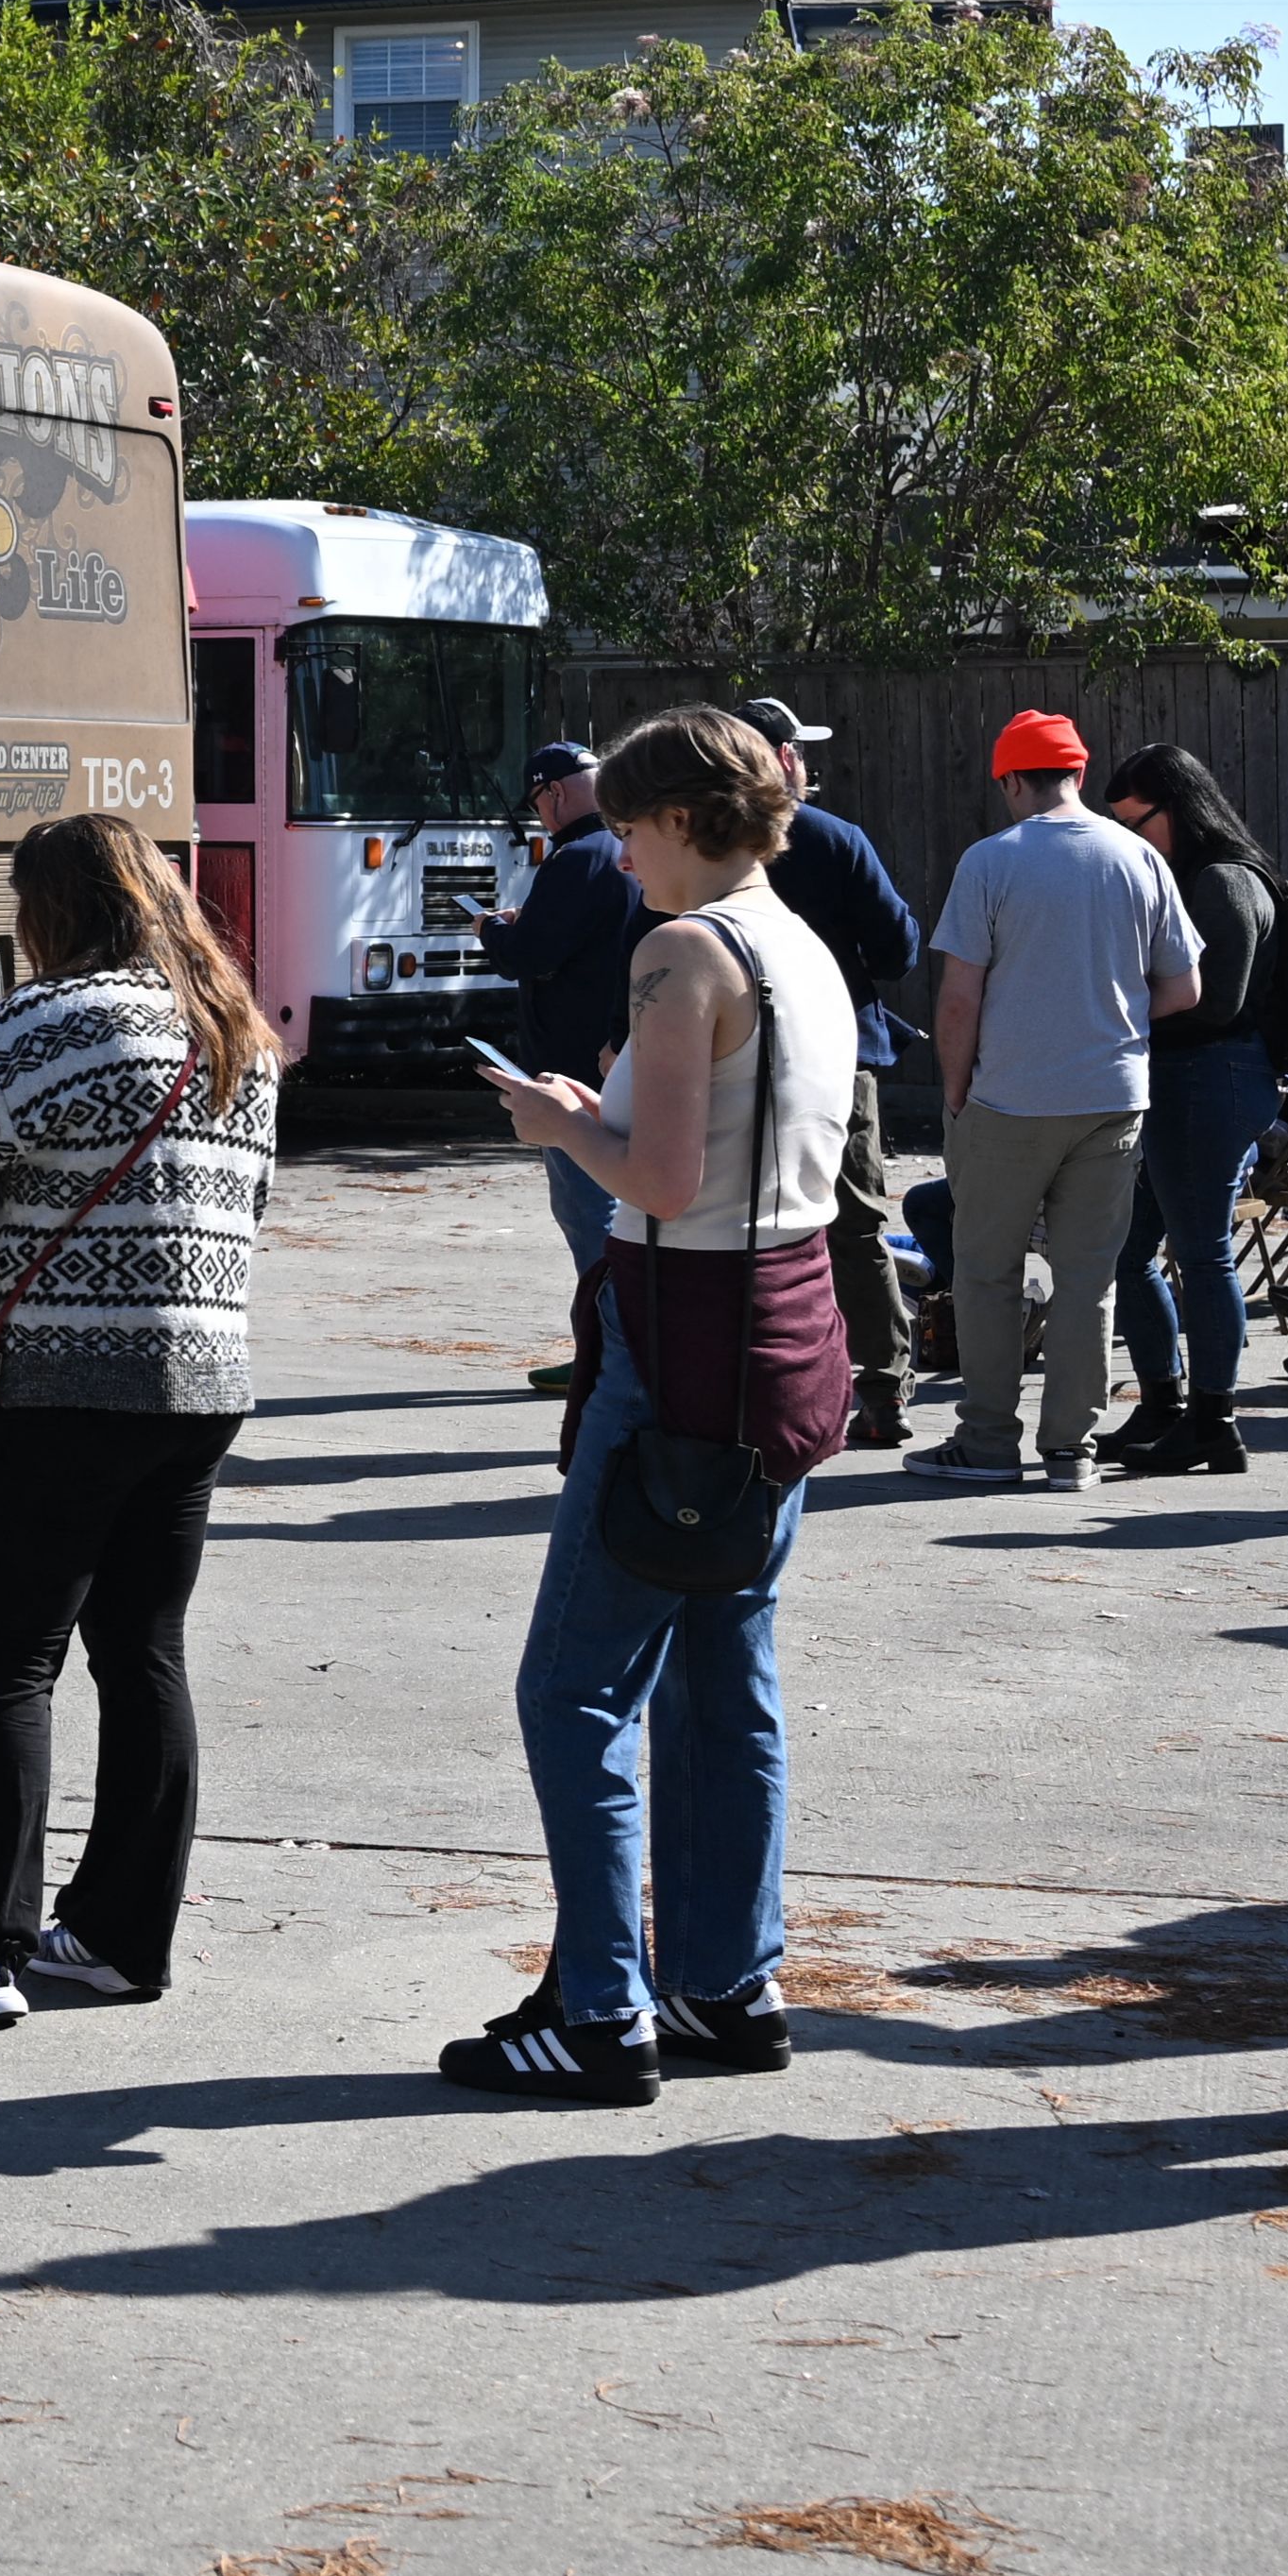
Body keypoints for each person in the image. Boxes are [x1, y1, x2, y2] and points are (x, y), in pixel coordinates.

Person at [447, 708, 864, 2106]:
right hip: (790, 1326)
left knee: (574, 1686)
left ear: (682, 820)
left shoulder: (683, 951)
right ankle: (725, 1981)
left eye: (626, 826)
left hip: (687, 1332)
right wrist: (597, 1113)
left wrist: (561, 1123)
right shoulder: (793, 937)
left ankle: (598, 2005)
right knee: (721, 1674)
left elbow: (668, 1184)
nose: (615, 852)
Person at [0, 812, 282, 2025]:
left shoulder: (56, 1017)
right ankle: (117, 1937)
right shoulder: (231, 1026)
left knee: (8, 1664)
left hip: (56, 1381)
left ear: (54, 910)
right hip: (201, 1378)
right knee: (144, 1656)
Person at [915, 708, 1198, 1487]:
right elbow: (1185, 986)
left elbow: (958, 999)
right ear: (1077, 773)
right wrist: (1110, 1009)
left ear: (1010, 779)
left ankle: (986, 1442)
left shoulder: (991, 861)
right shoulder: (1140, 858)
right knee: (1088, 1277)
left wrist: (954, 1091)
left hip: (1007, 1098)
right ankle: (1072, 1450)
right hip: (1112, 1096)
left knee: (988, 1273)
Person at [1099, 742, 1288, 1476]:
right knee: (1133, 1253)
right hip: (1192, 1079)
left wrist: (1117, 1009)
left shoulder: (1222, 882)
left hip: (1210, 1076)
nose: (1129, 839)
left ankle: (1214, 1421)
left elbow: (1215, 1002)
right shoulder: (1193, 875)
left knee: (1203, 1253)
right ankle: (1165, 1404)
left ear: (1178, 809)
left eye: (1137, 821)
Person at [736, 699, 928, 1456]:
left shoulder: (698, 843)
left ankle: (752, 1386)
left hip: (733, 1057)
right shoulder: (833, 839)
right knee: (855, 1227)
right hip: (837, 1059)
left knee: (740, 1223)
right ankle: (881, 1391)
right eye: (802, 751)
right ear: (784, 758)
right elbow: (897, 952)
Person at [480, 741, 643, 1389]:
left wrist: (493, 930)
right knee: (606, 1210)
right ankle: (612, 1346)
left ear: (551, 794)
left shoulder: (576, 857)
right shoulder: (624, 852)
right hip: (614, 1055)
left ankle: (610, 1352)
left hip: (572, 1069)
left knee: (588, 1214)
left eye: (537, 802)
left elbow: (530, 952)